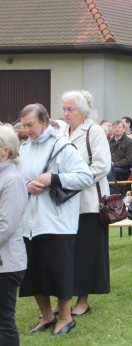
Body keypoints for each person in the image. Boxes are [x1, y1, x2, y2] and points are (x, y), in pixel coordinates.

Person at [18, 103, 93, 336]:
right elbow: (16, 179)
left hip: (57, 223)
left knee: (58, 272)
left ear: (44, 121)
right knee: (32, 273)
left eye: (31, 125)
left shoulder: (62, 146)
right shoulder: (24, 149)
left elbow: (85, 177)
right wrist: (27, 186)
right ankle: (47, 316)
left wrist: (55, 178)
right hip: (29, 224)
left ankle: (65, 317)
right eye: (24, 125)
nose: (27, 130)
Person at [60, 90, 111, 317]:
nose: (65, 113)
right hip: (63, 202)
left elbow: (101, 166)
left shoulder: (94, 130)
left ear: (83, 111)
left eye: (70, 109)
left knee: (87, 252)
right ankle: (64, 298)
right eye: (64, 109)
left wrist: (72, 180)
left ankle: (83, 299)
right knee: (66, 252)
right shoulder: (61, 131)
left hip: (89, 203)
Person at [0, 127, 28, 346]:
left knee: (4, 322)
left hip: (6, 264)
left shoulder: (12, 180)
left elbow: (6, 226)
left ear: (4, 150)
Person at [107, 120, 132, 189]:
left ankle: (113, 195)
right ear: (112, 129)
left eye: (119, 127)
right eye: (115, 127)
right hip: (110, 167)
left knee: (109, 172)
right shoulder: (109, 142)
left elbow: (129, 160)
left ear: (123, 129)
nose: (117, 129)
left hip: (124, 169)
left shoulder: (129, 142)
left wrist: (114, 164)